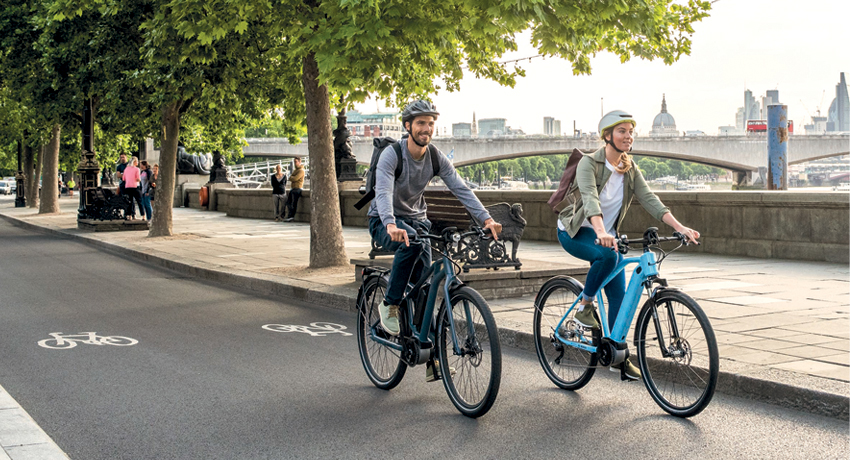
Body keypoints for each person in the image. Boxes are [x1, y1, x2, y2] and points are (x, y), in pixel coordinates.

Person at [556, 110, 700, 381]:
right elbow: (589, 199)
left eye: (631, 131)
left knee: (619, 300)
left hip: (605, 236)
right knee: (609, 256)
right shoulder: (590, 163)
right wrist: (600, 231)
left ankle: (618, 356)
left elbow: (650, 199)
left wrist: (680, 227)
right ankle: (585, 307)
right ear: (607, 136)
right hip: (576, 232)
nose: (628, 136)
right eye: (622, 131)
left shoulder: (629, 168)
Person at [367, 100, 502, 382]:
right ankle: (390, 304)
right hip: (383, 221)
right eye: (420, 123)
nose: (426, 129)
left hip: (417, 222)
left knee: (426, 289)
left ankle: (430, 356)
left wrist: (486, 219)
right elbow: (381, 193)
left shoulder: (436, 157)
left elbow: (460, 188)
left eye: (430, 123)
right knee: (411, 243)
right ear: (408, 127)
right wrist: (390, 224)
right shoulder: (393, 155)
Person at [283, 157, 304, 222]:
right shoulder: (295, 170)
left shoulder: (301, 171)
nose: (295, 163)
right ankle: (289, 215)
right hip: (293, 188)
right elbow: (290, 177)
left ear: (299, 162)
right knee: (288, 202)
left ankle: (291, 216)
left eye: (296, 162)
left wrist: (292, 177)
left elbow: (295, 178)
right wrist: (292, 177)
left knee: (293, 203)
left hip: (298, 189)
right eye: (294, 162)